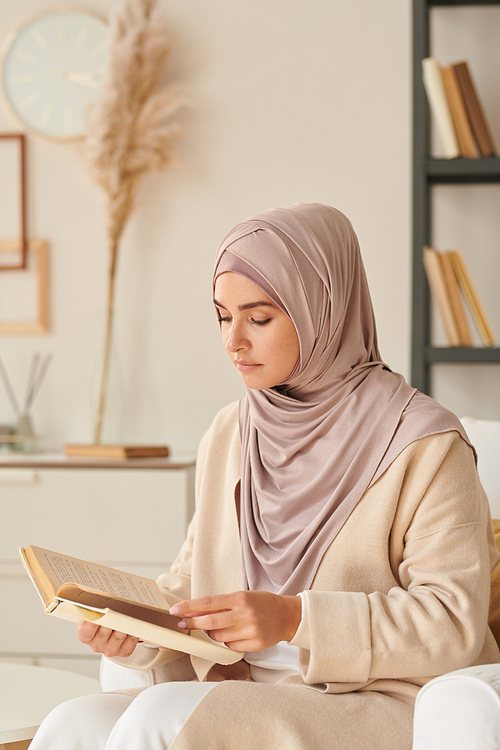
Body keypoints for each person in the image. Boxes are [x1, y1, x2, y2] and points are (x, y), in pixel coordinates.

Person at [30, 203, 500, 750]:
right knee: (71, 725)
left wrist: (295, 618)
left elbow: (452, 620)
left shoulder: (425, 444)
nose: (234, 342)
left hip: (366, 701)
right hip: (239, 687)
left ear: (321, 308)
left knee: (163, 715)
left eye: (259, 318)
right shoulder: (232, 431)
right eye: (223, 316)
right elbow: (190, 587)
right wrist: (135, 634)